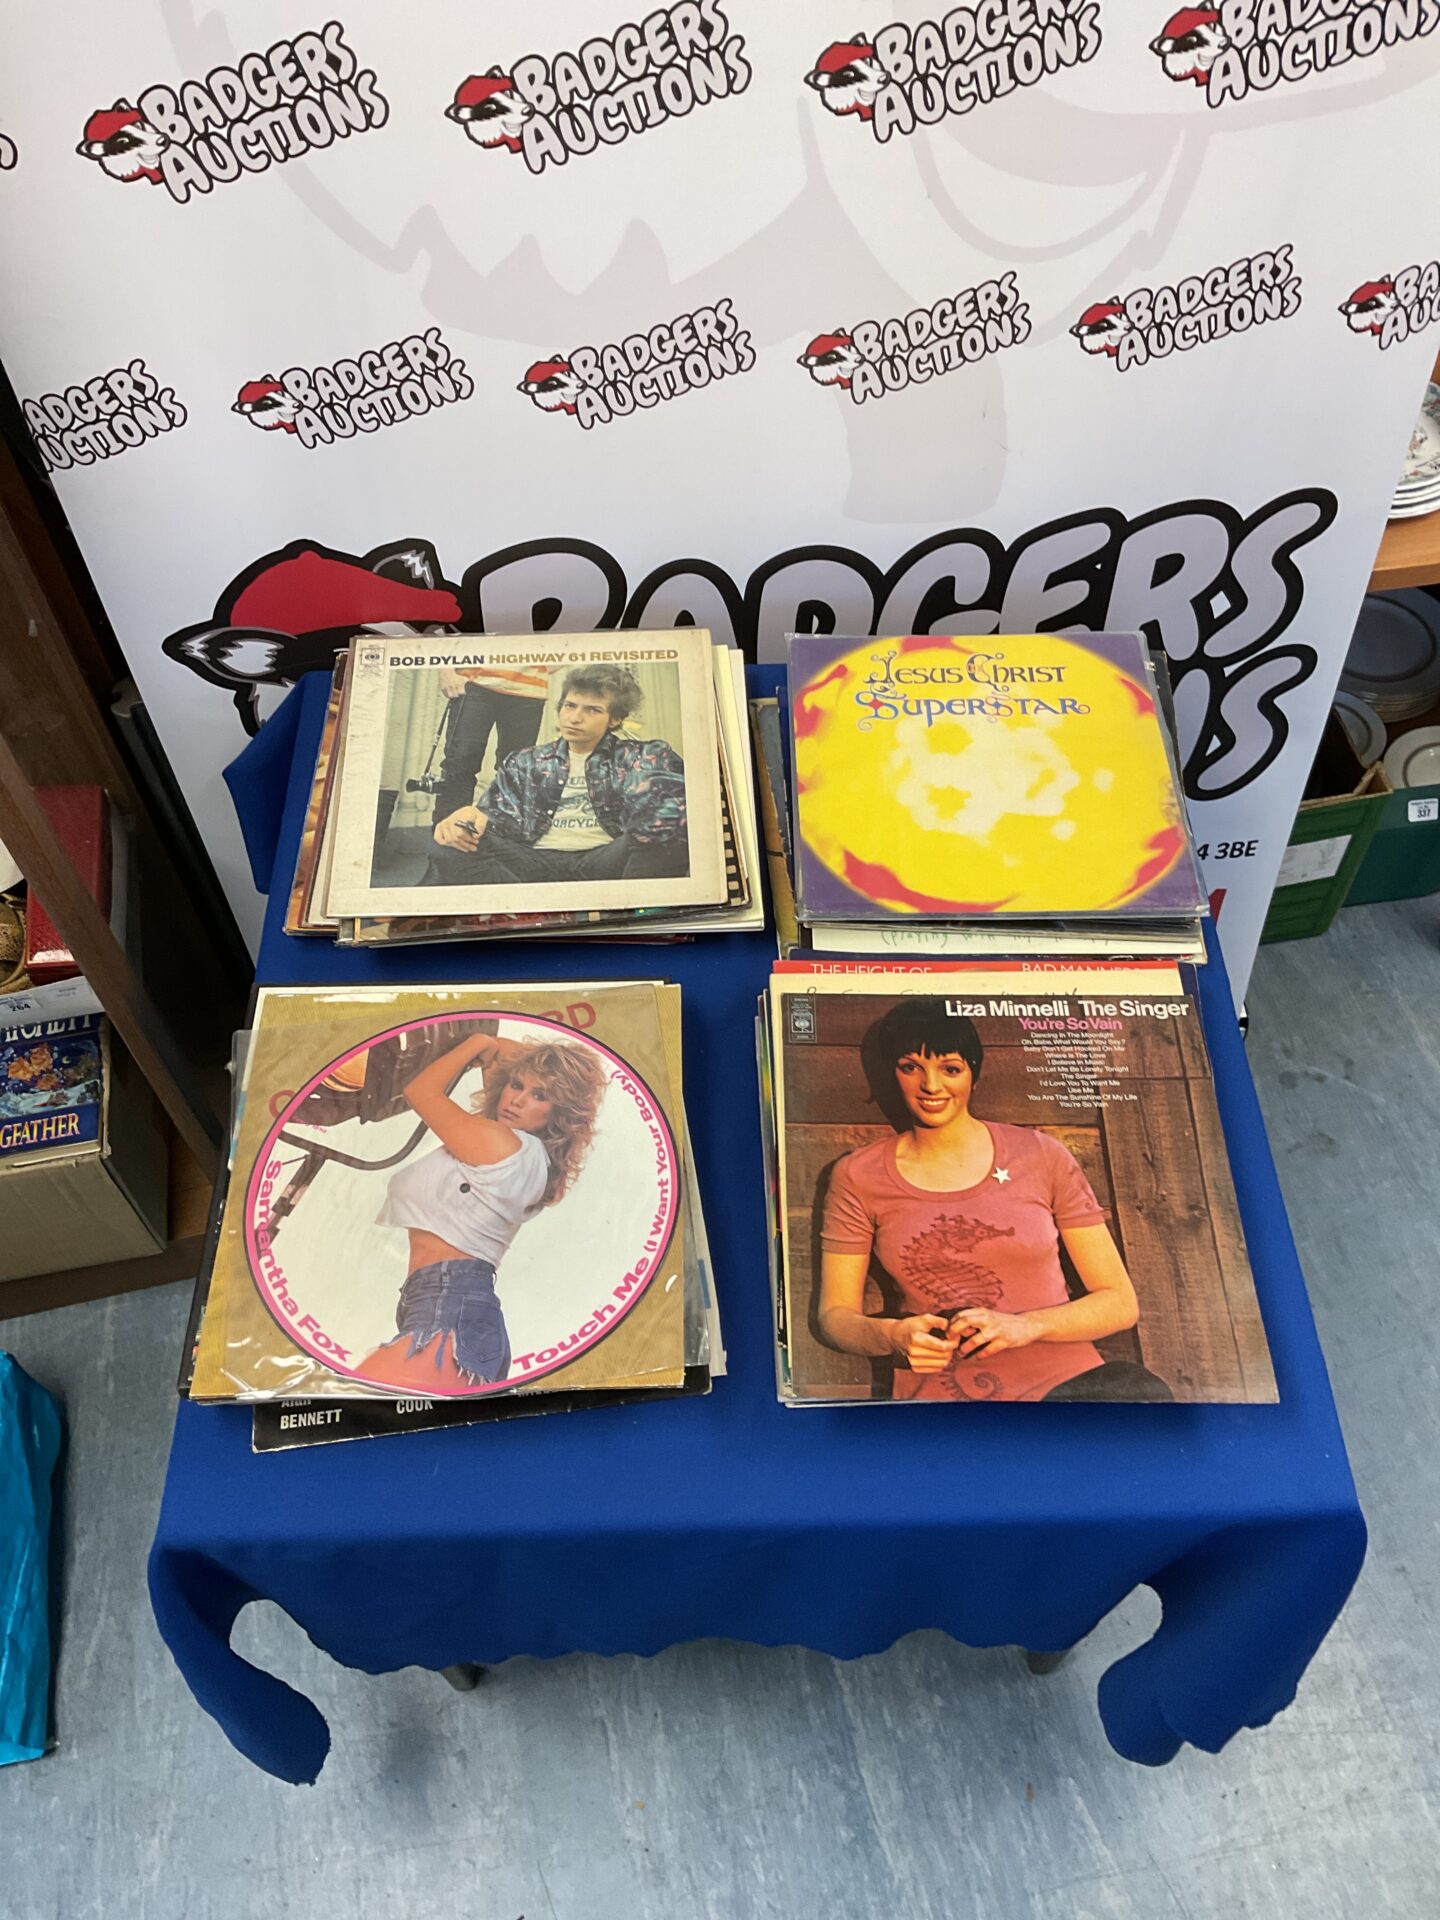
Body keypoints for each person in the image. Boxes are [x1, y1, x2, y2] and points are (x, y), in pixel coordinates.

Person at [817, 998, 1174, 1403]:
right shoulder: (858, 1175)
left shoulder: (1040, 1155)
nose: (931, 1086)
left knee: (1140, 1395)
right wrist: (892, 1334)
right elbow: (834, 1316)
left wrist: (1026, 1326)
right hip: (944, 1400)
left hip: (1067, 1389)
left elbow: (1120, 1302)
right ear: (891, 1073)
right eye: (910, 1067)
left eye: (950, 1069)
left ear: (974, 1074)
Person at [361, 1027, 606, 1391]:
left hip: (449, 1306)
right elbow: (503, 1055)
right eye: (516, 1085)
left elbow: (420, 1092)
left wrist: (476, 1041)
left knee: (357, 1405)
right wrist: (499, 1054)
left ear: (559, 1113)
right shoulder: (527, 1158)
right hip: (445, 1306)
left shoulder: (502, 1143)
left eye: (540, 1096)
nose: (517, 1100)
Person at [424, 664, 689, 887]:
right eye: (570, 706)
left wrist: (650, 802)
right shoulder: (525, 761)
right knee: (447, 841)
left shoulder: (643, 757)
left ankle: (626, 908)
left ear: (615, 719)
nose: (575, 718)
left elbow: (675, 806)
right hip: (534, 861)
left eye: (592, 710)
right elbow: (497, 817)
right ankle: (531, 909)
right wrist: (471, 816)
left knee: (671, 829)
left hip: (605, 861)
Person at [429, 663, 549, 828]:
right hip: (474, 682)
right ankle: (448, 836)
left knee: (516, 772)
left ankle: (503, 837)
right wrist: (446, 668)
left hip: (529, 689)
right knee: (460, 762)